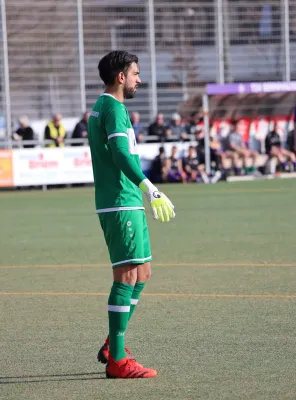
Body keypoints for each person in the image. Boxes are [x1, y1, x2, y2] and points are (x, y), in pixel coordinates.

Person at [87, 50, 175, 379]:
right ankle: (118, 361)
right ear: (121, 77)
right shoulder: (113, 108)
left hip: (124, 200)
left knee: (143, 272)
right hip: (121, 200)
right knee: (126, 277)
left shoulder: (107, 107)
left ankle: (114, 344)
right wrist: (148, 187)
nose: (139, 79)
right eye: (135, 73)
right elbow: (121, 153)